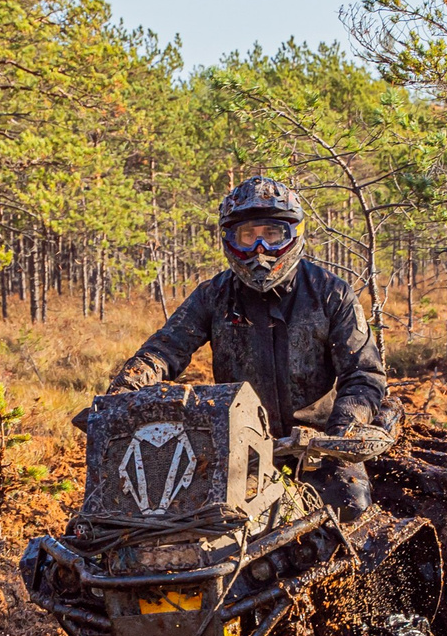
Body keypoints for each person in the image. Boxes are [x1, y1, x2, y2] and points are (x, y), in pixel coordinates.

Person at [106, 176, 389, 514]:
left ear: (292, 235)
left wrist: (343, 428)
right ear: (230, 240)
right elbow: (165, 349)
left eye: (271, 235)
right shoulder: (214, 295)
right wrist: (123, 392)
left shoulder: (330, 292)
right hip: (237, 446)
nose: (259, 249)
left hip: (318, 447)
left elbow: (364, 373)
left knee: (350, 507)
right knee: (192, 523)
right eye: (248, 236)